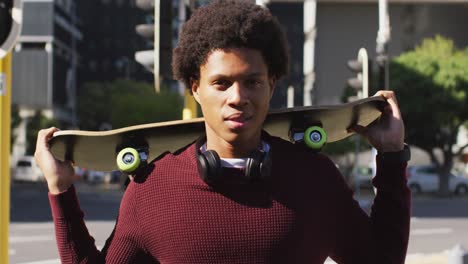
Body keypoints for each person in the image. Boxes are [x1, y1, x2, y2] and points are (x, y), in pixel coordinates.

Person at [35, 0, 411, 263]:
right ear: (194, 88)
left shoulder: (314, 179)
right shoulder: (153, 189)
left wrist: (391, 157)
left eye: (252, 82)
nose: (238, 98)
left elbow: (381, 259)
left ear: (272, 85)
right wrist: (61, 191)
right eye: (221, 83)